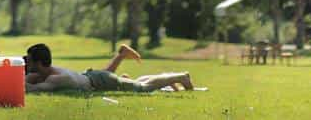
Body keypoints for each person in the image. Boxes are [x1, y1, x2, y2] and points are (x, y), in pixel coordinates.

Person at [24, 43, 195, 93]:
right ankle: (168, 78)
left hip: (100, 81)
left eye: (29, 61)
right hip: (92, 77)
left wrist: (14, 79)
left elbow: (33, 90)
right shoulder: (45, 71)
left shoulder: (55, 78)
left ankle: (181, 77)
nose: (27, 64)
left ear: (39, 63)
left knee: (143, 88)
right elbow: (29, 81)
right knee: (133, 84)